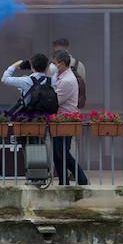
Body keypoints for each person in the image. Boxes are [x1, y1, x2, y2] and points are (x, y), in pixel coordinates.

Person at [52, 50, 88, 186]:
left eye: (54, 63)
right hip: (59, 120)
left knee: (62, 152)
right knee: (57, 153)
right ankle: (63, 181)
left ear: (61, 64)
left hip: (65, 121)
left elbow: (56, 101)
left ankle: (82, 179)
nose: (53, 66)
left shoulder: (67, 80)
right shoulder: (60, 75)